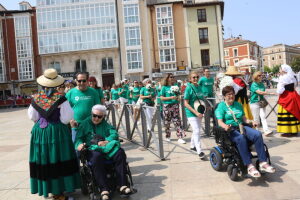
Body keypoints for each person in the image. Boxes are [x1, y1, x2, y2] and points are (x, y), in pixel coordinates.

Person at [28, 68, 81, 199]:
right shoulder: (61, 99)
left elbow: (32, 116)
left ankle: (48, 188)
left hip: (40, 132)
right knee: (59, 158)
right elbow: (66, 118)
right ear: (57, 83)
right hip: (57, 131)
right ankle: (60, 189)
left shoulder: (36, 98)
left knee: (44, 159)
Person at [73, 105, 132, 200]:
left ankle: (122, 185)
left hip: (106, 148)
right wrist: (79, 145)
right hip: (91, 148)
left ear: (103, 117)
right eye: (94, 115)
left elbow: (114, 134)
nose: (96, 118)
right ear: (91, 114)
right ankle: (104, 189)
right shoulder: (84, 124)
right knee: (96, 156)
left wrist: (107, 141)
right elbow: (78, 138)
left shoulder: (105, 124)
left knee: (120, 153)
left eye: (99, 117)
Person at [215, 86, 275, 178]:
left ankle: (263, 162)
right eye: (228, 94)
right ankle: (249, 166)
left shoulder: (238, 104)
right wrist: (225, 126)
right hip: (229, 130)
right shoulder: (221, 106)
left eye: (232, 94)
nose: (231, 96)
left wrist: (251, 121)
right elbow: (220, 122)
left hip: (241, 126)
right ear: (224, 96)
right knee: (240, 138)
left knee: (257, 134)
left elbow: (244, 118)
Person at [66, 72, 100, 141]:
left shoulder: (93, 92)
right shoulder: (70, 93)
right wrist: (70, 120)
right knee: (77, 148)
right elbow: (66, 109)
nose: (82, 83)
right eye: (79, 81)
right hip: (76, 126)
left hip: (91, 126)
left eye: (84, 80)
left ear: (87, 81)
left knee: (92, 148)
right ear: (76, 81)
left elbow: (98, 108)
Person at [183, 71, 205, 158]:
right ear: (190, 79)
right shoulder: (188, 88)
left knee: (197, 130)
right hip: (191, 113)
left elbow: (201, 99)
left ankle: (192, 145)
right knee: (197, 130)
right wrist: (195, 112)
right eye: (193, 77)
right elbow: (186, 103)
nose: (196, 79)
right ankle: (199, 151)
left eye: (197, 77)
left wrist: (205, 108)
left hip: (199, 111)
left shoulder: (199, 87)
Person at [161, 73, 186, 143]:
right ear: (167, 78)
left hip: (175, 105)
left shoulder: (176, 86)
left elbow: (179, 96)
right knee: (167, 122)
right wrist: (170, 97)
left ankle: (180, 137)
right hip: (167, 106)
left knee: (177, 121)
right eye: (171, 77)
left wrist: (178, 98)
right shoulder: (164, 87)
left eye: (173, 77)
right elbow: (161, 98)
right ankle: (168, 136)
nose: (172, 78)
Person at [276, 64, 300, 137]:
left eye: (280, 68)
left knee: (286, 113)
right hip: (293, 95)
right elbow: (295, 86)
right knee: (293, 112)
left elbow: (280, 90)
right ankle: (294, 130)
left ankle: (287, 131)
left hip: (286, 96)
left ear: (283, 70)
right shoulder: (293, 77)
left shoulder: (282, 78)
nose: (279, 70)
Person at [250, 71, 275, 136]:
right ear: (256, 77)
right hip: (254, 102)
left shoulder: (261, 84)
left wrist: (266, 92)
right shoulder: (253, 84)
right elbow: (259, 92)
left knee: (263, 116)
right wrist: (269, 93)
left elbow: (263, 91)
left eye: (261, 75)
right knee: (256, 118)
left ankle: (266, 130)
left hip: (261, 102)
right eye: (259, 75)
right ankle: (256, 131)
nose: (261, 76)